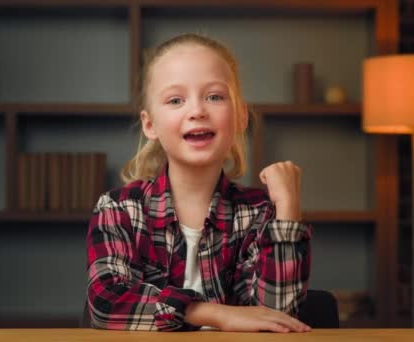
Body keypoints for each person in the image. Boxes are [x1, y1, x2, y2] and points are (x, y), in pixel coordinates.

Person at [86, 33, 312, 333]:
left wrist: (288, 210)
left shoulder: (260, 214)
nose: (197, 111)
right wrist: (213, 314)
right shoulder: (118, 209)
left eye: (214, 96)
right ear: (150, 124)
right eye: (175, 100)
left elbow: (275, 318)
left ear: (241, 116)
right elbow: (107, 303)